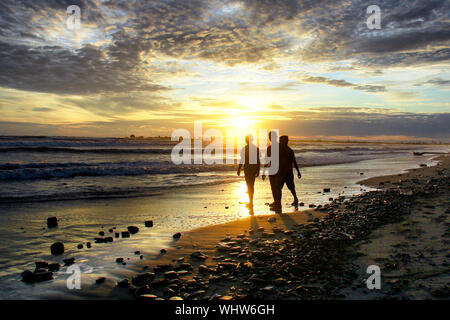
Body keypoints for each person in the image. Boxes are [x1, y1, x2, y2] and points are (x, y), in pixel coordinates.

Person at [237, 135, 260, 210]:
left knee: (248, 184)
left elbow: (242, 159)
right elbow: (258, 160)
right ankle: (251, 201)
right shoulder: (256, 148)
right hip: (253, 168)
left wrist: (239, 168)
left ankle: (251, 202)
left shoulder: (245, 149)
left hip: (247, 168)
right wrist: (258, 169)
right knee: (251, 185)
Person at [262, 131, 282, 212]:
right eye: (269, 137)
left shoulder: (280, 147)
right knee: (273, 187)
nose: (270, 138)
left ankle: (278, 203)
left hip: (278, 169)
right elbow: (267, 161)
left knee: (277, 187)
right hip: (272, 169)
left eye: (271, 137)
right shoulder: (269, 148)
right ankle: (276, 202)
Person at [279, 135, 301, 207]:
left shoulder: (286, 151)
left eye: (281, 141)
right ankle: (295, 199)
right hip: (287, 172)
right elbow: (294, 162)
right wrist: (298, 171)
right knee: (289, 187)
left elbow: (294, 162)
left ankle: (295, 199)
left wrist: (298, 171)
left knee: (281, 187)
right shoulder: (289, 150)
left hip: (284, 172)